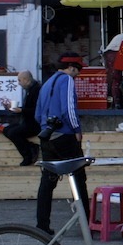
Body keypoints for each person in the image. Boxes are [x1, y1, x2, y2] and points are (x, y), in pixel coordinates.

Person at [33, 53, 89, 235]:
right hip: (65, 135)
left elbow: (37, 113)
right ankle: (85, 223)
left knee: (47, 183)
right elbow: (69, 108)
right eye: (78, 69)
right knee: (79, 178)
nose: (78, 74)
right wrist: (77, 129)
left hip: (46, 136)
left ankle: (42, 225)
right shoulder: (67, 80)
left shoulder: (47, 83)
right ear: (71, 67)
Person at [2, 70, 41, 166]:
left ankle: (27, 156)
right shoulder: (29, 90)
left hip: (35, 123)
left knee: (13, 133)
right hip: (27, 121)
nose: (19, 83)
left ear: (26, 80)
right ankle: (31, 147)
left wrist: (21, 111)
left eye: (19, 80)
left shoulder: (36, 90)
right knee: (6, 130)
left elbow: (37, 110)